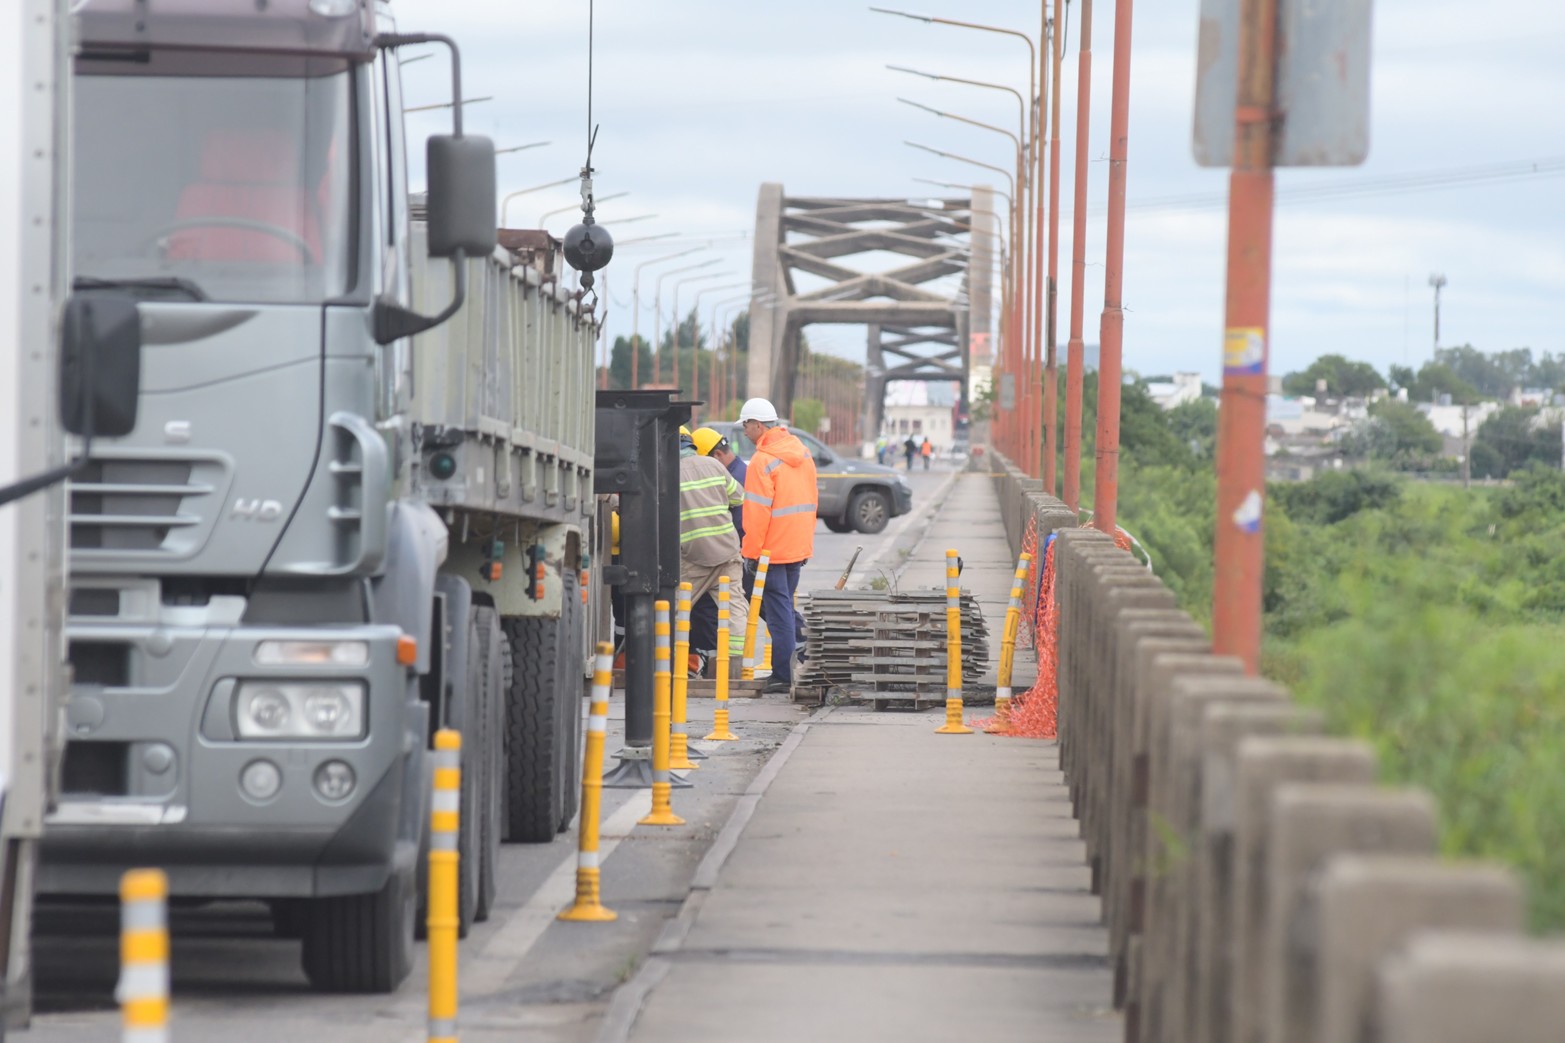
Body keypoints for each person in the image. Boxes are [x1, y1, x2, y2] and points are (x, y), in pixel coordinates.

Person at [738, 397, 817, 694]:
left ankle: (783, 674)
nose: (744, 431)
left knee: (778, 610)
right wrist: (805, 543)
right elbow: (811, 500)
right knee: (784, 605)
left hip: (771, 548)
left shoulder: (762, 461)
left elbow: (757, 514)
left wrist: (751, 553)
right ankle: (808, 647)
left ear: (758, 425)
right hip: (796, 544)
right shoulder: (803, 452)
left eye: (746, 424)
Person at [677, 428, 750, 674]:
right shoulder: (714, 465)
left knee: (676, 609)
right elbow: (739, 498)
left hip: (693, 558)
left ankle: (677, 667)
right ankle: (734, 669)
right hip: (727, 552)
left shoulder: (667, 473)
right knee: (736, 609)